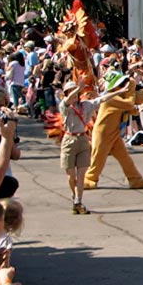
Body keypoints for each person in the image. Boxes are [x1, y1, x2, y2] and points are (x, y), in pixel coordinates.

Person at [60, 82, 97, 215]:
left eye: (76, 92)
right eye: (71, 91)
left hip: (82, 139)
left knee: (81, 175)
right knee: (71, 175)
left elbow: (102, 98)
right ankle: (74, 196)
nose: (74, 94)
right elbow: (67, 100)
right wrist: (78, 88)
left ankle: (78, 201)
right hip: (69, 140)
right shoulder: (64, 106)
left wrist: (120, 90)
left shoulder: (85, 105)